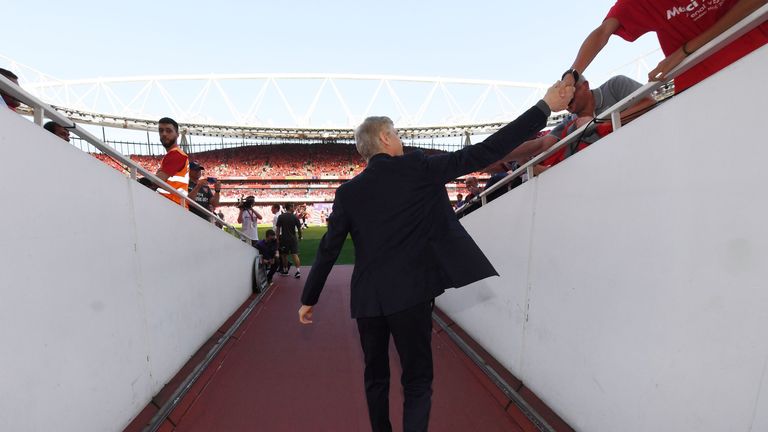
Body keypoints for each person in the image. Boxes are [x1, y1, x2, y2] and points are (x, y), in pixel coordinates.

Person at [298, 81, 574, 432]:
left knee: (375, 379)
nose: (400, 139)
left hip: (368, 300)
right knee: (416, 381)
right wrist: (544, 107)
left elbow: (329, 248)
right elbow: (486, 151)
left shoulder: (348, 192)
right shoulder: (419, 168)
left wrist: (309, 298)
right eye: (395, 133)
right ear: (384, 139)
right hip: (411, 296)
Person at [563, 0, 768, 92]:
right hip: (703, 86)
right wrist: (571, 75)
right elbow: (602, 33)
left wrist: (685, 50)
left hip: (758, 55)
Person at [503, 75, 654, 168]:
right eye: (563, 96)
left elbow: (649, 103)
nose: (566, 99)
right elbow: (541, 144)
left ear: (585, 86)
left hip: (647, 154)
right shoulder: (569, 122)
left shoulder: (615, 85)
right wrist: (498, 153)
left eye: (570, 91)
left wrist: (598, 122)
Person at [147, 117, 189, 208]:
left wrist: (141, 180)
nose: (164, 134)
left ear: (177, 134)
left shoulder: (177, 154)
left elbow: (157, 180)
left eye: (168, 131)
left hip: (174, 205)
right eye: (161, 131)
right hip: (172, 205)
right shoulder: (173, 154)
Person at [276, 202, 302, 278]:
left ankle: (285, 270)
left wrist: (277, 238)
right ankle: (298, 271)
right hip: (293, 238)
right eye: (293, 207)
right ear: (290, 207)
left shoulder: (281, 217)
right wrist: (300, 236)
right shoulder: (295, 217)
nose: (294, 209)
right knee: (295, 254)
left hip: (284, 238)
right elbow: (299, 229)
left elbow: (278, 229)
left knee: (284, 255)